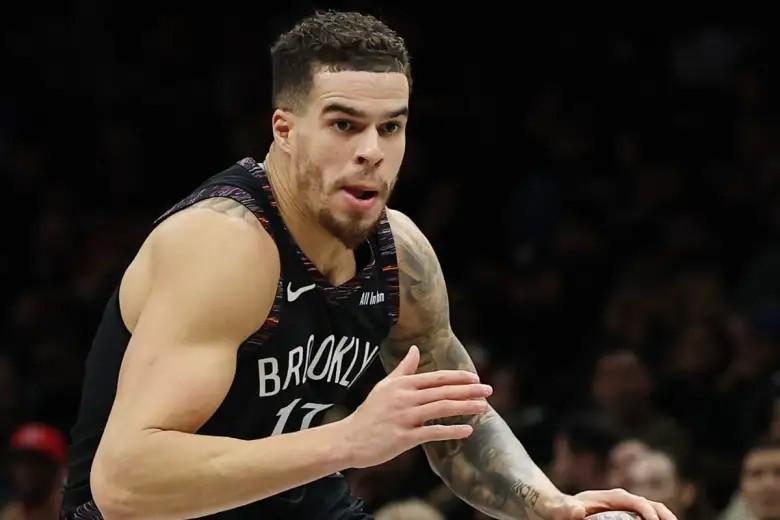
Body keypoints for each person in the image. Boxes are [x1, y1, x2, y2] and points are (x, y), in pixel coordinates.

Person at [60, 10, 676, 520]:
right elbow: (124, 483)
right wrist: (347, 440)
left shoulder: (399, 252)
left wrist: (551, 504)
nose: (371, 152)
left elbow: (454, 415)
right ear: (284, 129)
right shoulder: (223, 246)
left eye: (391, 128)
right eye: (344, 125)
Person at [0, 423, 68, 520]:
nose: (28, 472)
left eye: (38, 463)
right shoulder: (8, 515)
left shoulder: (75, 513)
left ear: (58, 470)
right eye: (22, 462)